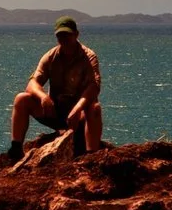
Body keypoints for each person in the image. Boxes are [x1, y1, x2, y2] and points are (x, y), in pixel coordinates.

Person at [7, 15, 102, 161]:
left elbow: (93, 87)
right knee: (21, 99)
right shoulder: (51, 56)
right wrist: (43, 96)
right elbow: (32, 83)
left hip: (78, 115)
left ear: (76, 34)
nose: (64, 40)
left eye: (67, 35)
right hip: (56, 111)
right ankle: (16, 149)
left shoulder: (88, 57)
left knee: (94, 107)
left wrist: (77, 109)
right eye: (60, 36)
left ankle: (91, 157)